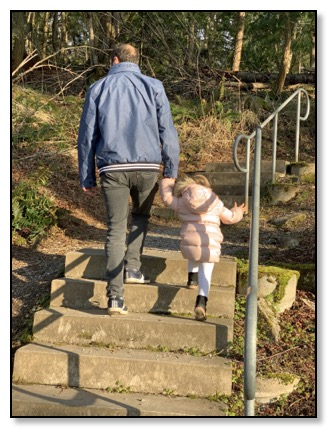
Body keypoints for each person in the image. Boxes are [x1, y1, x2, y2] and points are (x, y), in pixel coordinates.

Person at [78, 44, 180, 316]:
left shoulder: (98, 88)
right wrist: (170, 170)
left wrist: (87, 175)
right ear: (137, 60)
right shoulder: (154, 86)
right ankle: (133, 268)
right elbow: (167, 130)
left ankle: (115, 299)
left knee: (115, 229)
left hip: (113, 167)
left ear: (114, 60)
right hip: (148, 166)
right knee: (141, 217)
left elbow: (87, 136)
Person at [160, 174, 246, 321]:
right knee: (206, 272)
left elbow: (167, 198)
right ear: (206, 186)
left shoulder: (182, 200)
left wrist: (167, 182)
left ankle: (191, 279)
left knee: (194, 252)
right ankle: (201, 302)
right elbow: (230, 217)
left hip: (190, 240)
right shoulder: (214, 201)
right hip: (209, 240)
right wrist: (238, 211)